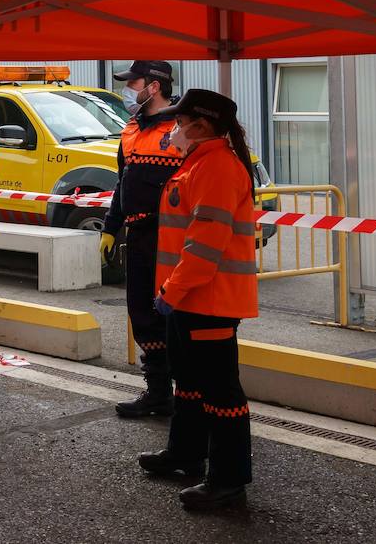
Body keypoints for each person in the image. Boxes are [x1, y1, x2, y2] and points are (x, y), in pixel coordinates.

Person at [137, 88, 259, 512]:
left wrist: (171, 291)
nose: (174, 129)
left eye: (180, 122)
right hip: (189, 297)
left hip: (209, 299)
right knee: (188, 383)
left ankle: (228, 480)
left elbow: (205, 246)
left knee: (219, 392)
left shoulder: (218, 168)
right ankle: (186, 456)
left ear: (201, 126)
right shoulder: (200, 163)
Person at [104, 61, 184, 418]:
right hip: (138, 235)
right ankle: (157, 393)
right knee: (142, 313)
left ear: (153, 86)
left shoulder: (183, 128)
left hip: (172, 237)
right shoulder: (132, 128)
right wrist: (110, 227)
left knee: (175, 315)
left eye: (132, 83)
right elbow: (124, 182)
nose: (128, 90)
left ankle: (189, 396)